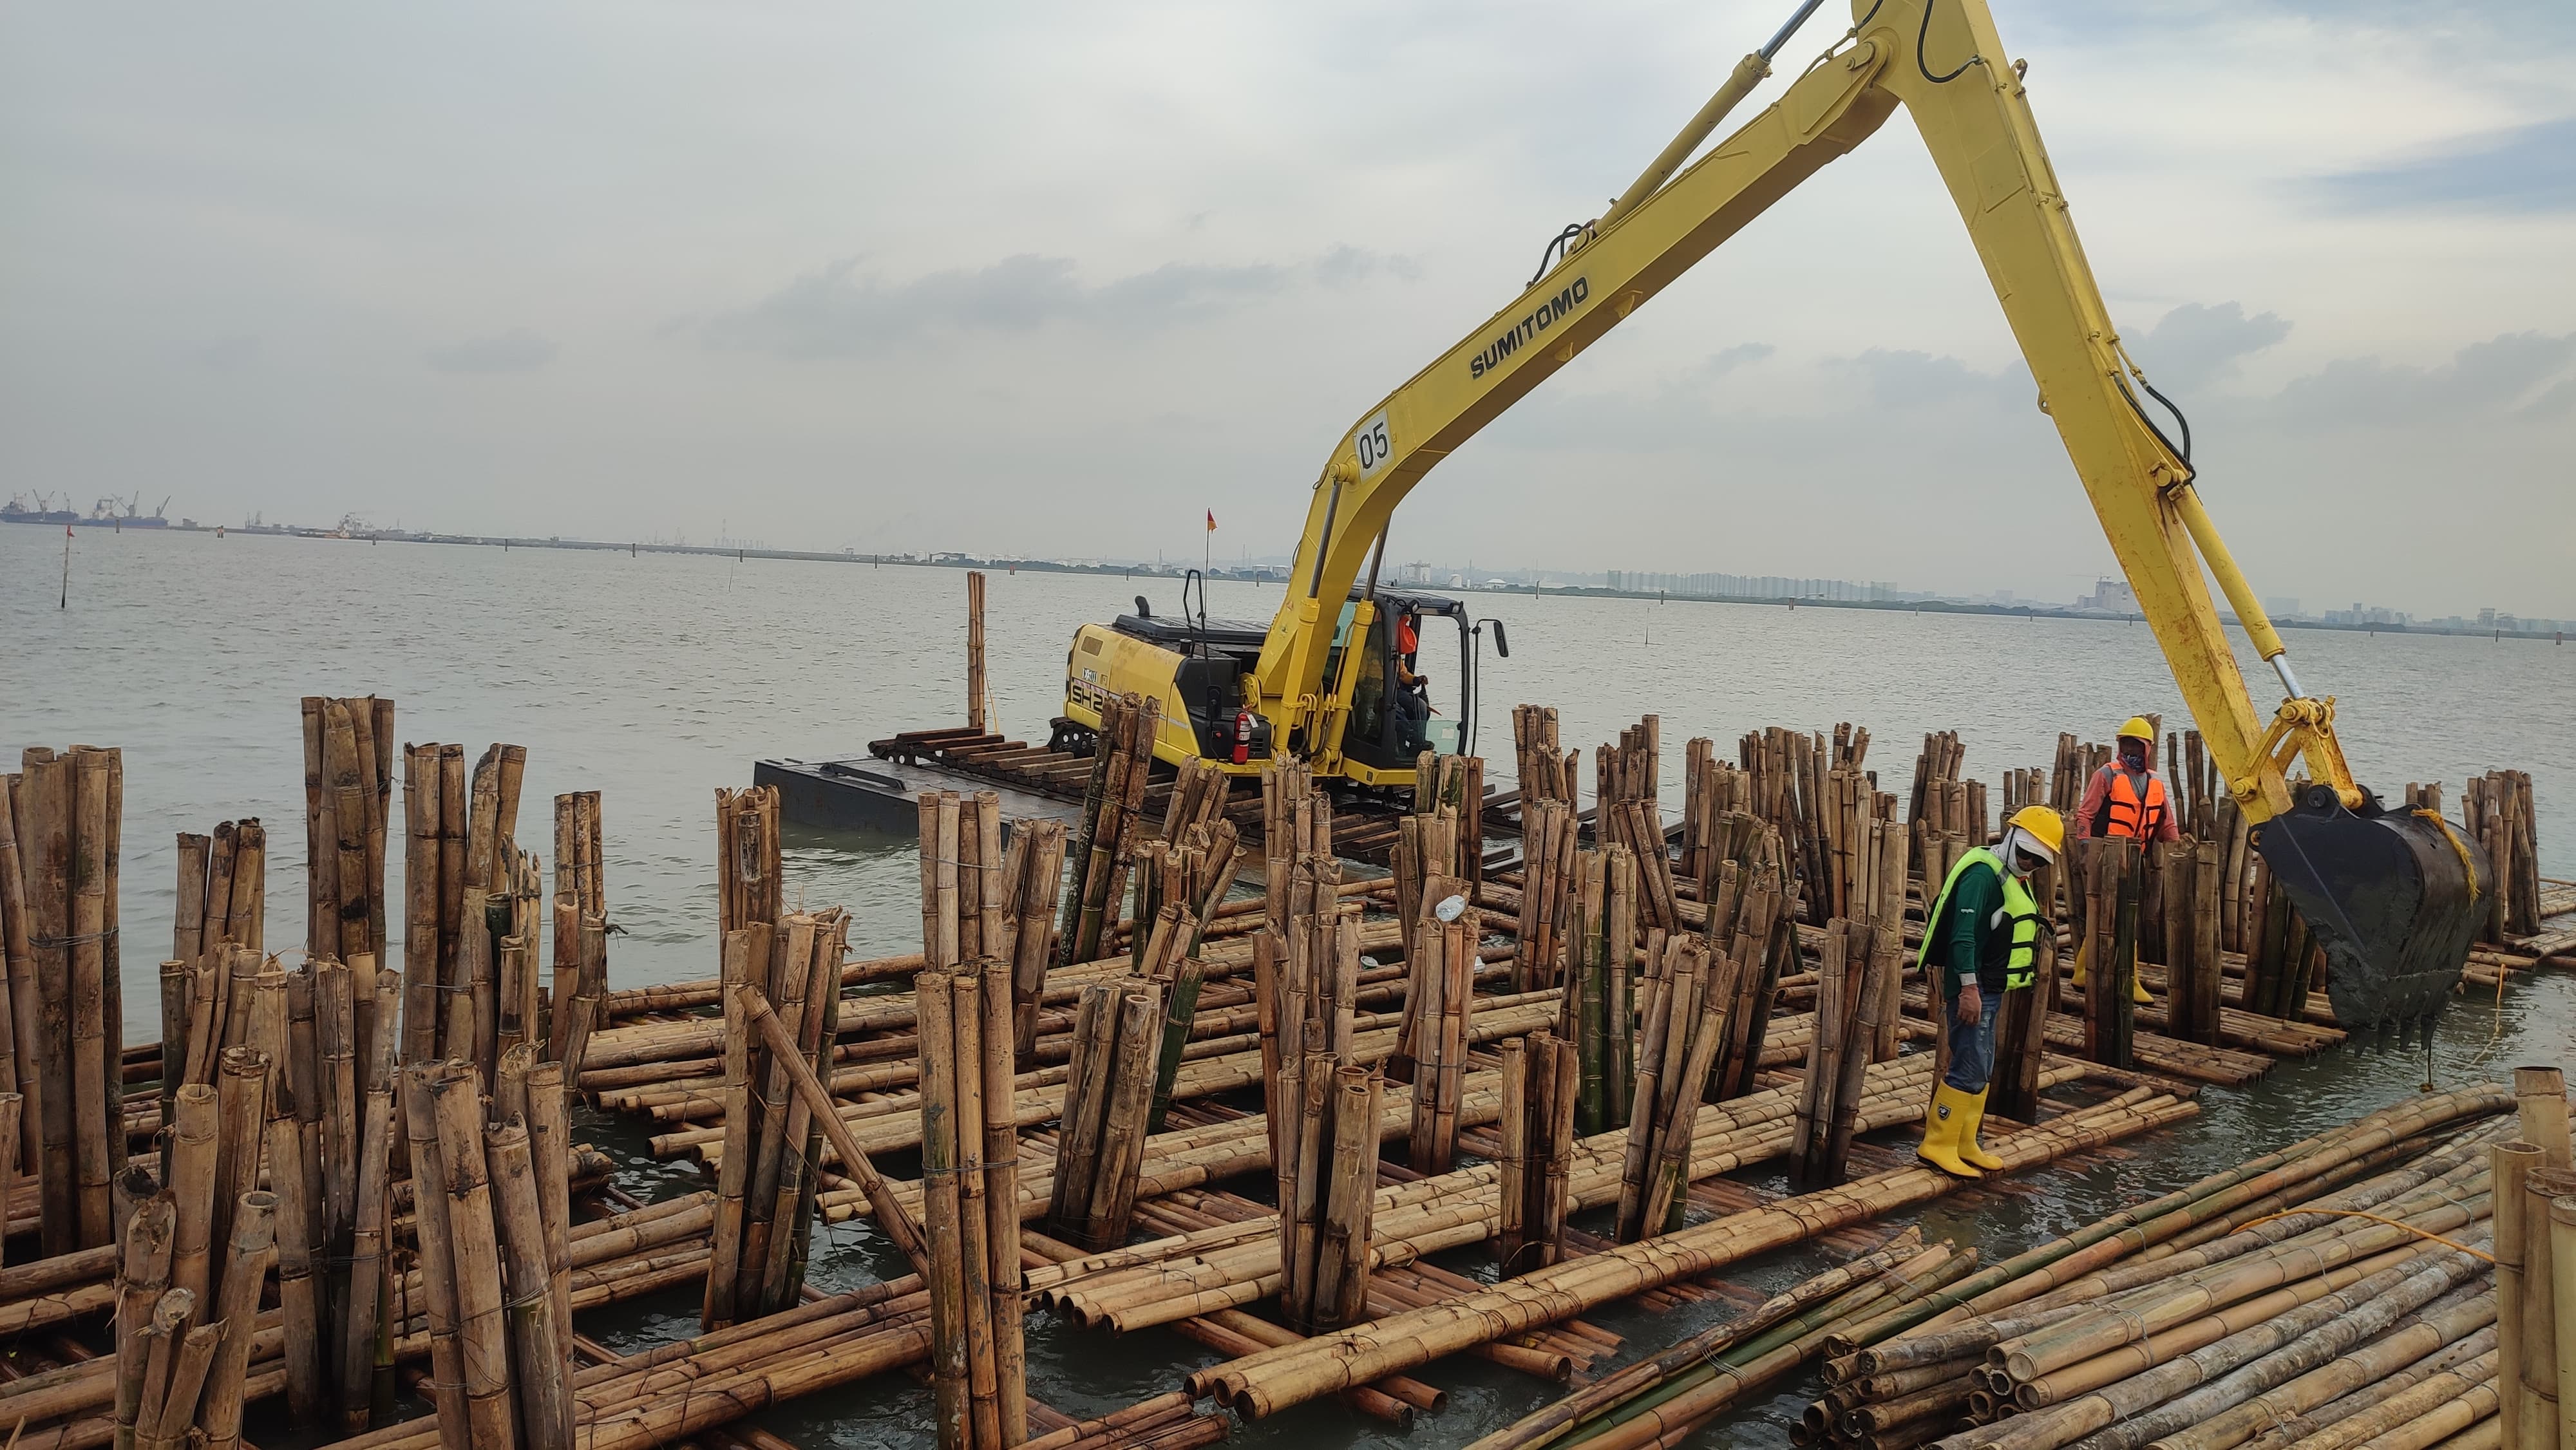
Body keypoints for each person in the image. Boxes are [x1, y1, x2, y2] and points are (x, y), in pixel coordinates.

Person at [1915, 804, 2062, 1178]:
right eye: (2026, 854)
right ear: (2011, 839)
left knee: (1983, 1065)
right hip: (1974, 986)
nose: (2029, 863)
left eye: (2039, 861)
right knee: (1969, 1065)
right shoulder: (1982, 876)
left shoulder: (2010, 875)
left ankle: (1965, 1143)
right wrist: (1968, 990)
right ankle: (1938, 1144)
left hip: (1991, 987)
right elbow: (1962, 937)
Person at [2070, 716, 2170, 1002]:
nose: (2131, 750)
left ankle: (2121, 975)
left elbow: (2166, 821)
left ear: (2147, 748)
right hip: (2107, 857)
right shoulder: (2106, 774)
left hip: (2135, 858)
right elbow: (2085, 815)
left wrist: (2178, 847)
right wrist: (2086, 850)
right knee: (2104, 914)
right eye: (2126, 744)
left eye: (2136, 745)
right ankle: (2099, 975)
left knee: (2128, 918)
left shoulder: (2155, 782)